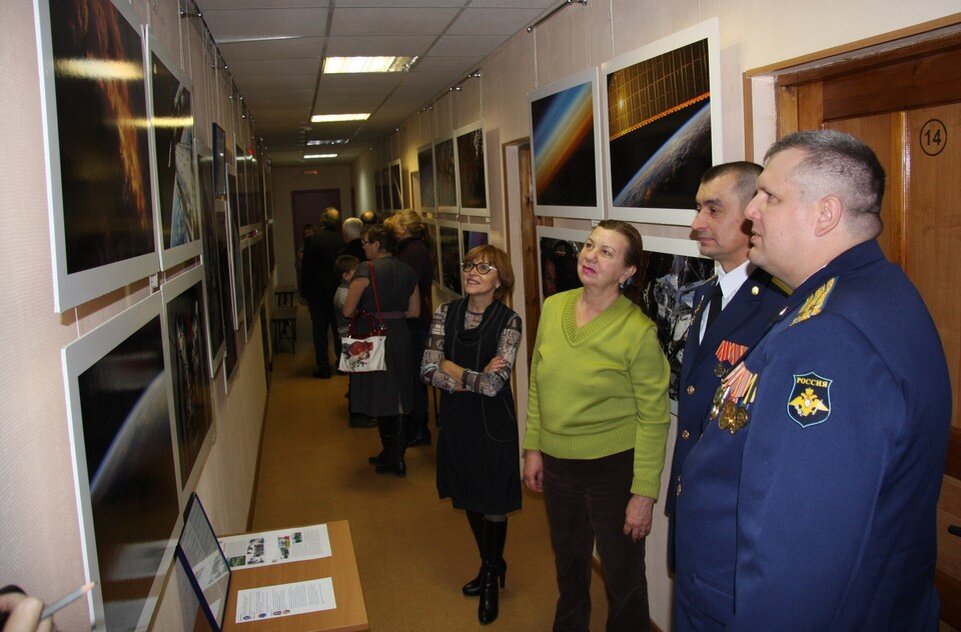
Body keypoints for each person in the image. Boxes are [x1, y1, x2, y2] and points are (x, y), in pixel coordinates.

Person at [676, 129, 951, 630]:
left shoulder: (831, 336)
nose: (751, 210)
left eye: (770, 197)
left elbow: (799, 546)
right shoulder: (865, 292)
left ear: (825, 213)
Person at [523, 219, 670, 632]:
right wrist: (533, 448)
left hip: (612, 470)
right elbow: (538, 382)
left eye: (606, 251)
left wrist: (643, 493)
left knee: (622, 575)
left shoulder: (638, 332)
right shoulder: (553, 308)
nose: (590, 256)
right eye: (589, 245)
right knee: (569, 564)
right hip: (557, 464)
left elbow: (654, 418)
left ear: (627, 272)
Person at [667, 162, 788, 585]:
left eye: (713, 210)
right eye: (698, 208)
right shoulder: (707, 294)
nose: (697, 223)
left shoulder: (779, 309)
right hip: (695, 498)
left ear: (753, 212)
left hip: (736, 515)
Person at [421, 245, 521, 625]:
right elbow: (427, 371)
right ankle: (492, 563)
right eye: (468, 265)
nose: (472, 272)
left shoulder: (509, 321)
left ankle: (491, 580)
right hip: (459, 418)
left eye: (484, 267)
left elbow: (495, 385)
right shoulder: (445, 313)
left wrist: (452, 367)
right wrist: (467, 376)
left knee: (493, 499)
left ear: (500, 279)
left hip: (494, 424)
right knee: (468, 496)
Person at [343, 224, 420, 476]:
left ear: (377, 244)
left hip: (372, 335)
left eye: (366, 242)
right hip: (399, 334)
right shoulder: (408, 271)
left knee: (378, 392)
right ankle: (392, 453)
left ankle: (394, 456)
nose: (363, 246)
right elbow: (414, 311)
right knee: (398, 393)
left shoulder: (366, 269)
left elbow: (347, 310)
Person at [387, 210, 434, 447]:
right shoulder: (413, 248)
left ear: (403, 227)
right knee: (412, 376)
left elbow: (410, 287)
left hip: (414, 322)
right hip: (413, 321)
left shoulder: (413, 251)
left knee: (415, 377)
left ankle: (419, 428)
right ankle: (415, 425)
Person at [301, 207, 344, 378]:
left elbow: (307, 269)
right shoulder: (340, 241)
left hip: (317, 293)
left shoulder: (312, 240)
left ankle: (323, 367)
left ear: (322, 220)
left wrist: (304, 292)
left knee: (320, 332)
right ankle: (342, 364)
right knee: (339, 329)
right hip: (337, 292)